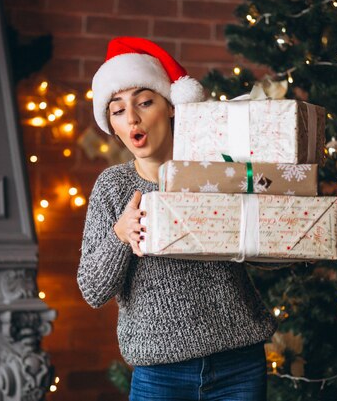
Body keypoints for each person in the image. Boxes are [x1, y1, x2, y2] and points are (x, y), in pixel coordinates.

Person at [77, 37, 277, 401]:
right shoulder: (112, 187)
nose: (132, 117)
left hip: (239, 363)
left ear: (170, 107)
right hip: (160, 376)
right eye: (118, 110)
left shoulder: (218, 169)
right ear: (111, 123)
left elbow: (266, 256)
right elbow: (92, 289)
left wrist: (257, 219)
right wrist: (120, 235)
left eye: (145, 102)